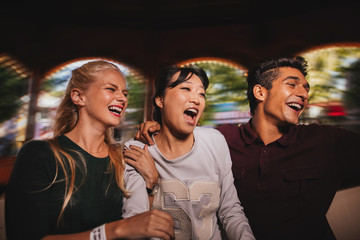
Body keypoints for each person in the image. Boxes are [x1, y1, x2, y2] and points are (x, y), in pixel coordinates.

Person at [135, 56, 360, 240]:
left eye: (305, 88)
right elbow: (177, 141)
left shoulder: (327, 141)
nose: (303, 94)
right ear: (260, 92)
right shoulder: (220, 140)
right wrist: (159, 126)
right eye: (292, 84)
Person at [5, 60, 174, 240]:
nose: (123, 98)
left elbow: (140, 225)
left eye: (125, 93)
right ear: (79, 97)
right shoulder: (39, 154)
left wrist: (150, 184)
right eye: (111, 89)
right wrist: (114, 231)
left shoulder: (125, 158)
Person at [124, 65, 255, 240]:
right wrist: (151, 184)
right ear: (160, 100)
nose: (196, 99)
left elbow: (230, 211)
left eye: (201, 94)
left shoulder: (215, 141)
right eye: (186, 89)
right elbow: (134, 225)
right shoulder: (138, 150)